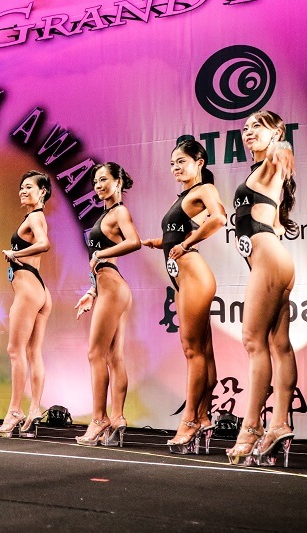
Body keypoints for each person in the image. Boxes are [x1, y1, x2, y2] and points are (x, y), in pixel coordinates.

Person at [141, 140, 227, 454]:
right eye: (172, 163)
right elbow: (177, 233)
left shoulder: (204, 189)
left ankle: (189, 420)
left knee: (193, 352)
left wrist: (186, 243)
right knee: (202, 351)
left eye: (181, 161)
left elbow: (219, 218)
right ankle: (202, 417)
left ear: (199, 162)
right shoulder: (186, 196)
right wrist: (159, 242)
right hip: (183, 279)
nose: (175, 168)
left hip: (194, 276)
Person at [226, 110, 297, 467]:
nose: (249, 131)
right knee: (278, 344)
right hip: (276, 259)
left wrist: (282, 148)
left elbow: (282, 153)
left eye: (258, 126)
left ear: (276, 133)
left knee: (254, 341)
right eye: (245, 127)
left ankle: (251, 426)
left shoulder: (271, 162)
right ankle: (279, 422)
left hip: (268, 260)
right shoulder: (261, 173)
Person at [74, 162, 141, 446]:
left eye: (104, 180)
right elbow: (104, 259)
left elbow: (134, 242)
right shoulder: (107, 215)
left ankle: (99, 419)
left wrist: (100, 254)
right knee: (114, 357)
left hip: (113, 289)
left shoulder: (119, 212)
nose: (98, 185)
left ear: (118, 182)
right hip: (109, 287)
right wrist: (91, 291)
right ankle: (117, 418)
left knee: (95, 354)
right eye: (95, 181)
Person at [0, 171, 53, 438]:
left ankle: (15, 410)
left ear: (42, 192)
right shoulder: (34, 217)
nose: (22, 191)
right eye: (21, 187)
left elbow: (44, 244)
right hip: (40, 290)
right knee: (32, 352)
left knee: (15, 351)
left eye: (28, 187)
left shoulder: (34, 217)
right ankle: (34, 409)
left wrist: (16, 253)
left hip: (29, 291)